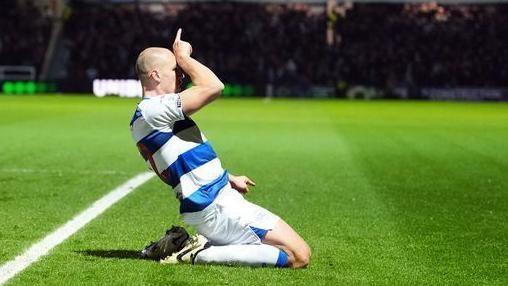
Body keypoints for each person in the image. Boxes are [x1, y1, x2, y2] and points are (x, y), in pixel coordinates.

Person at [130, 29, 311, 268]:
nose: (182, 75)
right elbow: (213, 86)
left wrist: (227, 178)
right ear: (155, 75)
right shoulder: (153, 110)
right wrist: (184, 56)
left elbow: (183, 158)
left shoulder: (151, 115)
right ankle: (195, 252)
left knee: (288, 251)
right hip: (215, 205)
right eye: (176, 70)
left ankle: (184, 244)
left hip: (215, 199)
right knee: (298, 256)